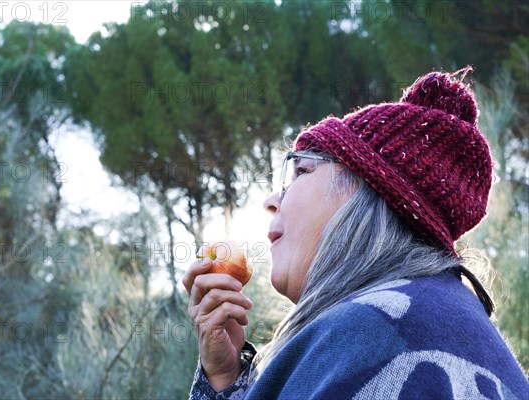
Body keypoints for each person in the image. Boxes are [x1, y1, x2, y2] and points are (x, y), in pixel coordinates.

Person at [182, 69, 529, 399]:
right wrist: (226, 379)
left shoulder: (372, 330)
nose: (271, 201)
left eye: (301, 170)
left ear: (364, 192)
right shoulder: (443, 320)